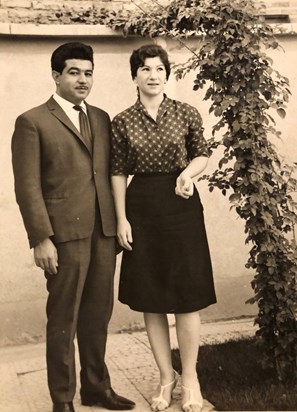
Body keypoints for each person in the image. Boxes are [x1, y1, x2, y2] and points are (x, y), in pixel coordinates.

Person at [11, 42, 135, 412]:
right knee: (63, 317)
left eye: (88, 72)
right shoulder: (32, 121)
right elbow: (27, 186)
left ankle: (96, 388)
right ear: (56, 76)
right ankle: (62, 398)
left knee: (98, 314)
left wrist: (116, 224)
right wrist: (41, 239)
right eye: (74, 72)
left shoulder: (100, 117)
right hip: (63, 237)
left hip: (103, 233)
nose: (83, 80)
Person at [110, 44, 217, 412]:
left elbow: (202, 152)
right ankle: (165, 377)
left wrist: (188, 173)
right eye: (145, 69)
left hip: (181, 204)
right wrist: (122, 218)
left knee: (187, 297)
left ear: (166, 74)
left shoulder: (185, 112)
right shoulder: (122, 121)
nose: (153, 75)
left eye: (159, 68)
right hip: (141, 208)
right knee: (151, 298)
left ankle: (190, 379)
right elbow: (118, 172)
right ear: (134, 75)